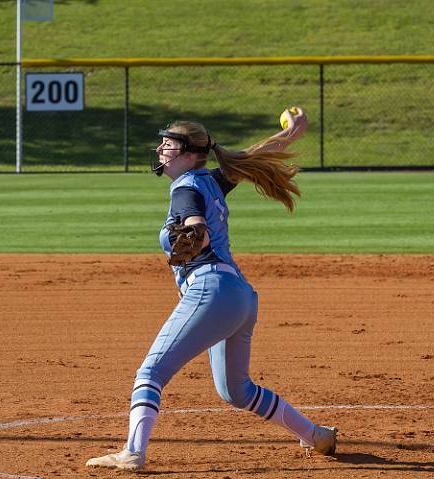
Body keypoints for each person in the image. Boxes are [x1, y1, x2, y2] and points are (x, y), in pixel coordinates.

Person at [86, 106, 337, 471]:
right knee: (237, 391)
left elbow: (193, 222)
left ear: (189, 154)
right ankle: (316, 434)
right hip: (239, 297)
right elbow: (252, 157)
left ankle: (134, 452)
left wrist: (195, 233)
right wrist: (289, 135)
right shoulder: (210, 180)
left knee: (150, 373)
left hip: (211, 291)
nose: (160, 150)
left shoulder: (184, 188)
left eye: (167, 145)